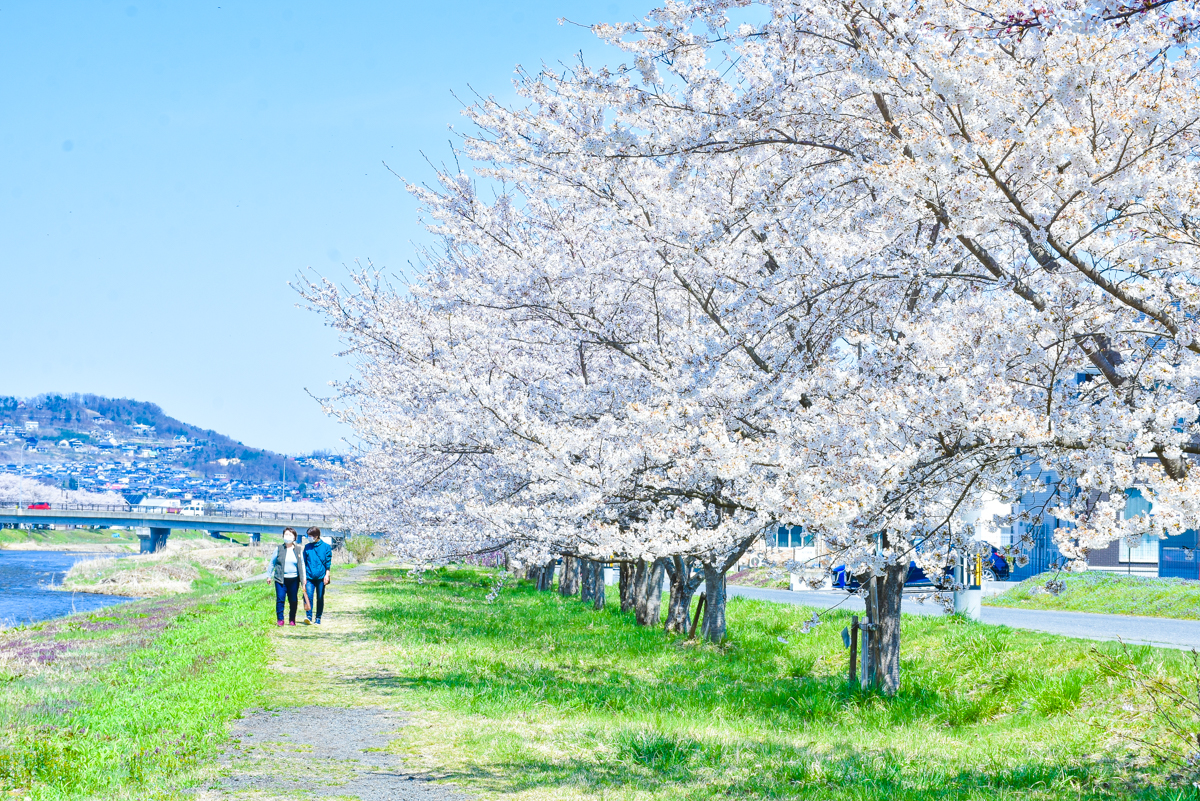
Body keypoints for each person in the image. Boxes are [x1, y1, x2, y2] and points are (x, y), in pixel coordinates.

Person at [269, 527, 306, 626]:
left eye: (290, 535)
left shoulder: (298, 549)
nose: (287, 537)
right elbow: (272, 563)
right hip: (280, 579)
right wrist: (269, 575)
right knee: (280, 599)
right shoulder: (279, 548)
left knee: (293, 600)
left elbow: (302, 564)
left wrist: (303, 579)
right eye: (286, 534)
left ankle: (292, 619)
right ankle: (280, 619)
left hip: (294, 580)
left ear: (294, 537)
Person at [302, 526, 333, 625]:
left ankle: (318, 617)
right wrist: (303, 577)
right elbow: (304, 563)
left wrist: (327, 575)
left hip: (321, 577)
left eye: (310, 536)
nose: (308, 537)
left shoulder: (326, 547)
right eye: (308, 535)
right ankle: (309, 616)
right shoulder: (307, 547)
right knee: (308, 596)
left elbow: (328, 564)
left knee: (320, 597)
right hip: (309, 577)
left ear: (316, 536)